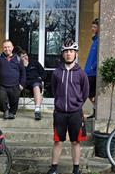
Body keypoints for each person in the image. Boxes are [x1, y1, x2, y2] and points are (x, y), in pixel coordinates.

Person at [47, 39, 89, 174]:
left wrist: (77, 105)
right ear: (62, 54)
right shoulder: (57, 72)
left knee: (76, 142)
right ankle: (53, 169)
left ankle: (76, 169)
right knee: (58, 142)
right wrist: (59, 102)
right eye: (65, 51)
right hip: (59, 113)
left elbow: (85, 92)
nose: (68, 54)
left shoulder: (81, 73)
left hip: (75, 113)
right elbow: (54, 89)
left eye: (71, 51)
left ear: (75, 53)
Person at [18, 49, 46, 120]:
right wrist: (23, 67)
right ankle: (12, 109)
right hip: (24, 83)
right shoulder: (19, 65)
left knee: (36, 86)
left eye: (26, 55)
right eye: (22, 57)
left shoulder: (34, 63)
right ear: (20, 58)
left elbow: (44, 73)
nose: (25, 57)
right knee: (14, 87)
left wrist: (40, 78)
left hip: (35, 82)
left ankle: (37, 110)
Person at [84, 18, 99, 119]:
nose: (92, 29)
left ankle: (96, 110)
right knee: (89, 94)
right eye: (92, 27)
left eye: (94, 27)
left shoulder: (99, 41)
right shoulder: (94, 40)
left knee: (88, 93)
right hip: (88, 72)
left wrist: (93, 66)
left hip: (93, 73)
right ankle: (96, 110)